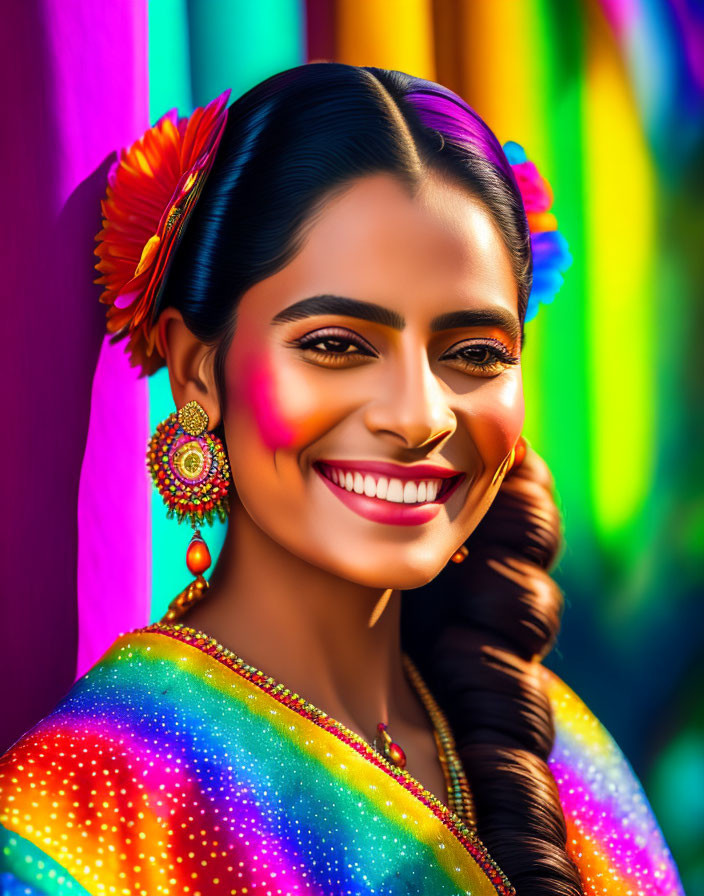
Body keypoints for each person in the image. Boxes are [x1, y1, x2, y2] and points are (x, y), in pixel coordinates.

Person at [0, 62, 684, 896]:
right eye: (336, 344)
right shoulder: (84, 815)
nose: (419, 415)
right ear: (197, 371)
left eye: (472, 354)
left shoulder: (558, 748)